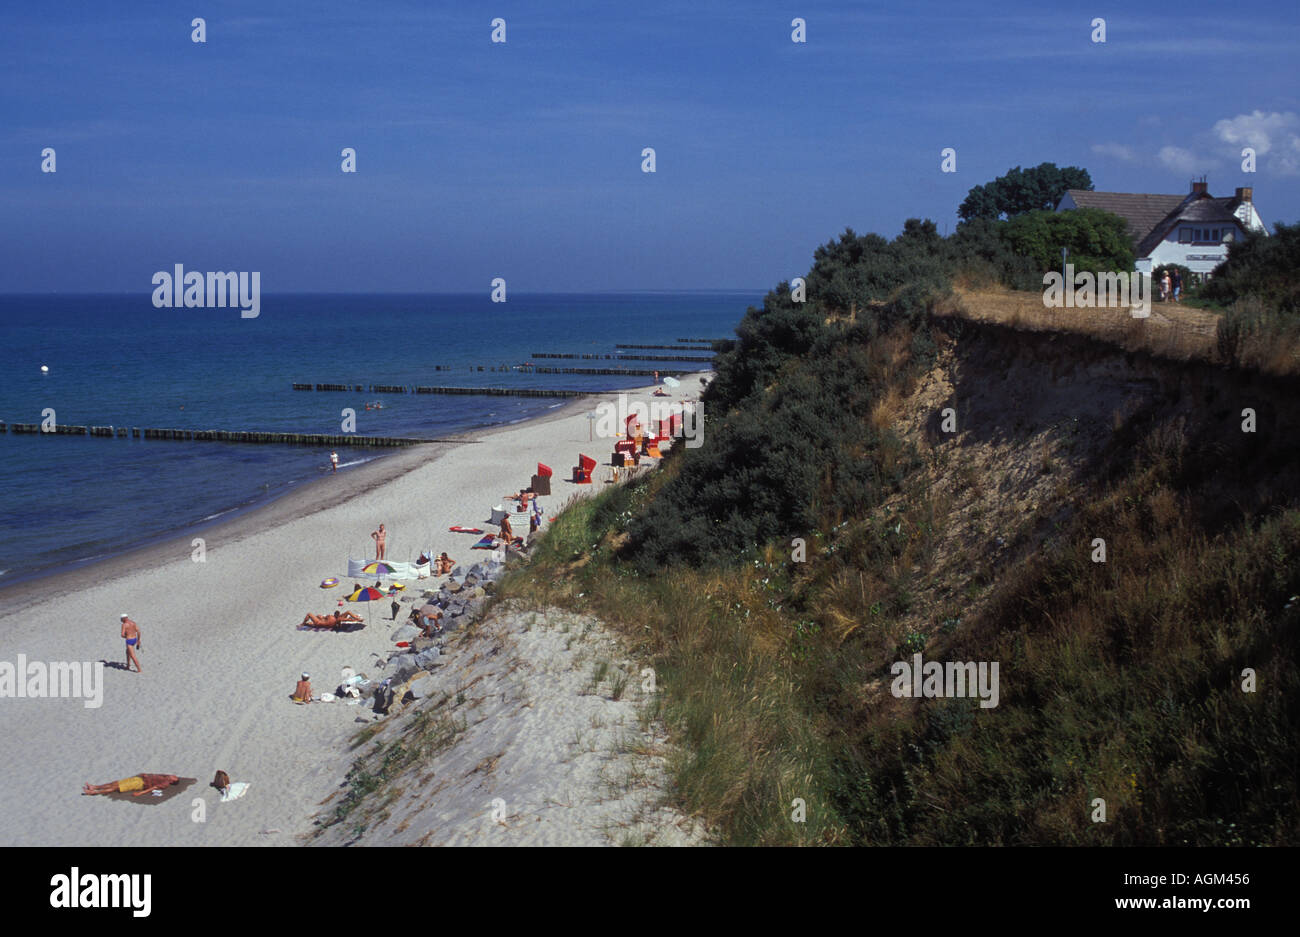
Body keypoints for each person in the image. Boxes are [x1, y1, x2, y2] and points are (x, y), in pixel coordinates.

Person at [83, 774, 180, 797]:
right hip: (139, 779)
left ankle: (93, 792)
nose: (173, 775)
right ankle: (95, 787)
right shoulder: (165, 777)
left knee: (116, 788)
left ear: (172, 781)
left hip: (140, 784)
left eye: (174, 777)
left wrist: (140, 793)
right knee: (115, 783)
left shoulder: (165, 783)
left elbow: (153, 788)